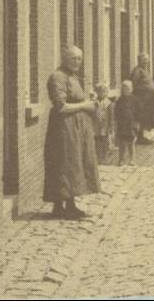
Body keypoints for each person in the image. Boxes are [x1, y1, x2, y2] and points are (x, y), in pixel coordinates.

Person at [43, 45, 101, 219]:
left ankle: (70, 204)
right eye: (73, 58)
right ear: (65, 59)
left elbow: (77, 99)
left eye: (79, 59)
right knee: (64, 162)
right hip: (63, 129)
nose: (77, 62)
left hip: (76, 129)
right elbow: (60, 107)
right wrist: (85, 105)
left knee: (75, 163)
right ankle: (59, 206)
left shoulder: (73, 77)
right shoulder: (57, 77)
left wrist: (89, 100)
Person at [130, 53, 154, 145]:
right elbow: (134, 84)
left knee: (148, 118)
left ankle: (144, 136)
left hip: (149, 100)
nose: (146, 62)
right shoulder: (137, 71)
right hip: (142, 100)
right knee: (142, 118)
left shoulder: (145, 70)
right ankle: (140, 138)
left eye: (147, 60)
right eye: (144, 60)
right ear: (139, 60)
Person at [114, 81, 139, 167]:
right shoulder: (120, 100)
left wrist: (137, 124)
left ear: (131, 89)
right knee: (122, 144)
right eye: (124, 89)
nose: (126, 90)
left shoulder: (135, 100)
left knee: (131, 143)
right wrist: (116, 121)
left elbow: (138, 113)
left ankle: (132, 159)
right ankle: (121, 160)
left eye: (128, 89)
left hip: (131, 125)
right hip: (122, 125)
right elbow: (116, 112)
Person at [92, 82, 114, 165]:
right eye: (100, 91)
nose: (102, 93)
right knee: (97, 140)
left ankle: (105, 157)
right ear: (97, 92)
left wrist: (111, 126)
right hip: (96, 125)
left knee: (104, 141)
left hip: (105, 125)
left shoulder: (108, 103)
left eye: (104, 92)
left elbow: (111, 115)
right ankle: (98, 157)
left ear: (106, 92)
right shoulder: (94, 102)